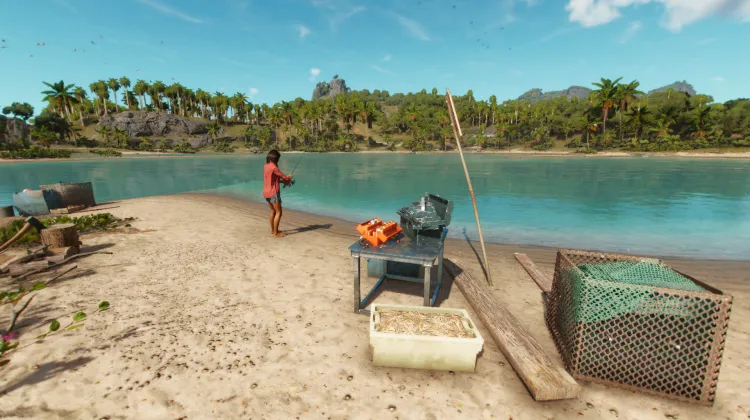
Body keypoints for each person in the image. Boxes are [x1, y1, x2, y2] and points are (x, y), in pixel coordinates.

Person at [263, 149, 293, 237]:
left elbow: (272, 179)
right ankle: (276, 233)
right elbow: (285, 177)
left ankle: (273, 230)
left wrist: (282, 182)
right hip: (273, 193)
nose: (278, 160)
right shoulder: (274, 167)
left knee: (273, 211)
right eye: (278, 159)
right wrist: (289, 177)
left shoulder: (266, 166)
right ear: (275, 159)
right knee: (279, 212)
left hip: (266, 193)